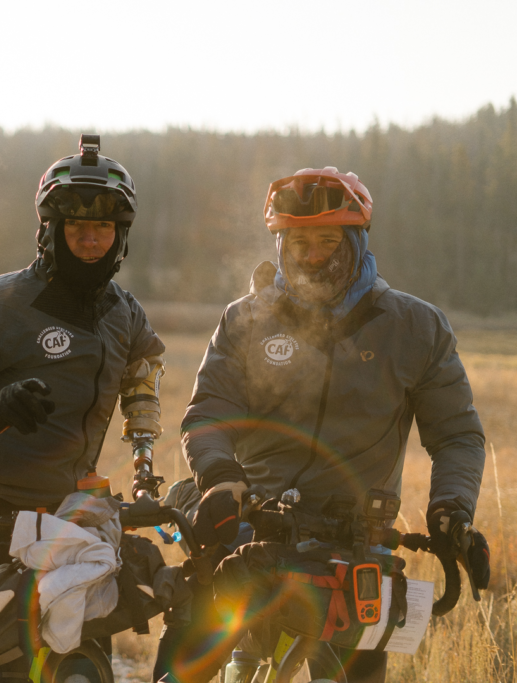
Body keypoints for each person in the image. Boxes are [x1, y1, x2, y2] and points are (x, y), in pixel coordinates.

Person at [153, 167, 491, 683]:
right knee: (183, 659)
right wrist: (221, 481)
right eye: (299, 241)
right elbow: (209, 412)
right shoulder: (246, 320)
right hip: (252, 530)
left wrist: (451, 512)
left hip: (355, 545)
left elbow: (457, 436)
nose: (312, 255)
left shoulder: (416, 327)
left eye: (328, 241)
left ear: (356, 241)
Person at [0, 135, 167, 683]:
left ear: (122, 236)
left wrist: (143, 449)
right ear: (50, 231)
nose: (91, 241)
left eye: (104, 229)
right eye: (77, 228)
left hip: (70, 517)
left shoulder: (124, 313)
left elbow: (144, 368)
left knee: (85, 658)